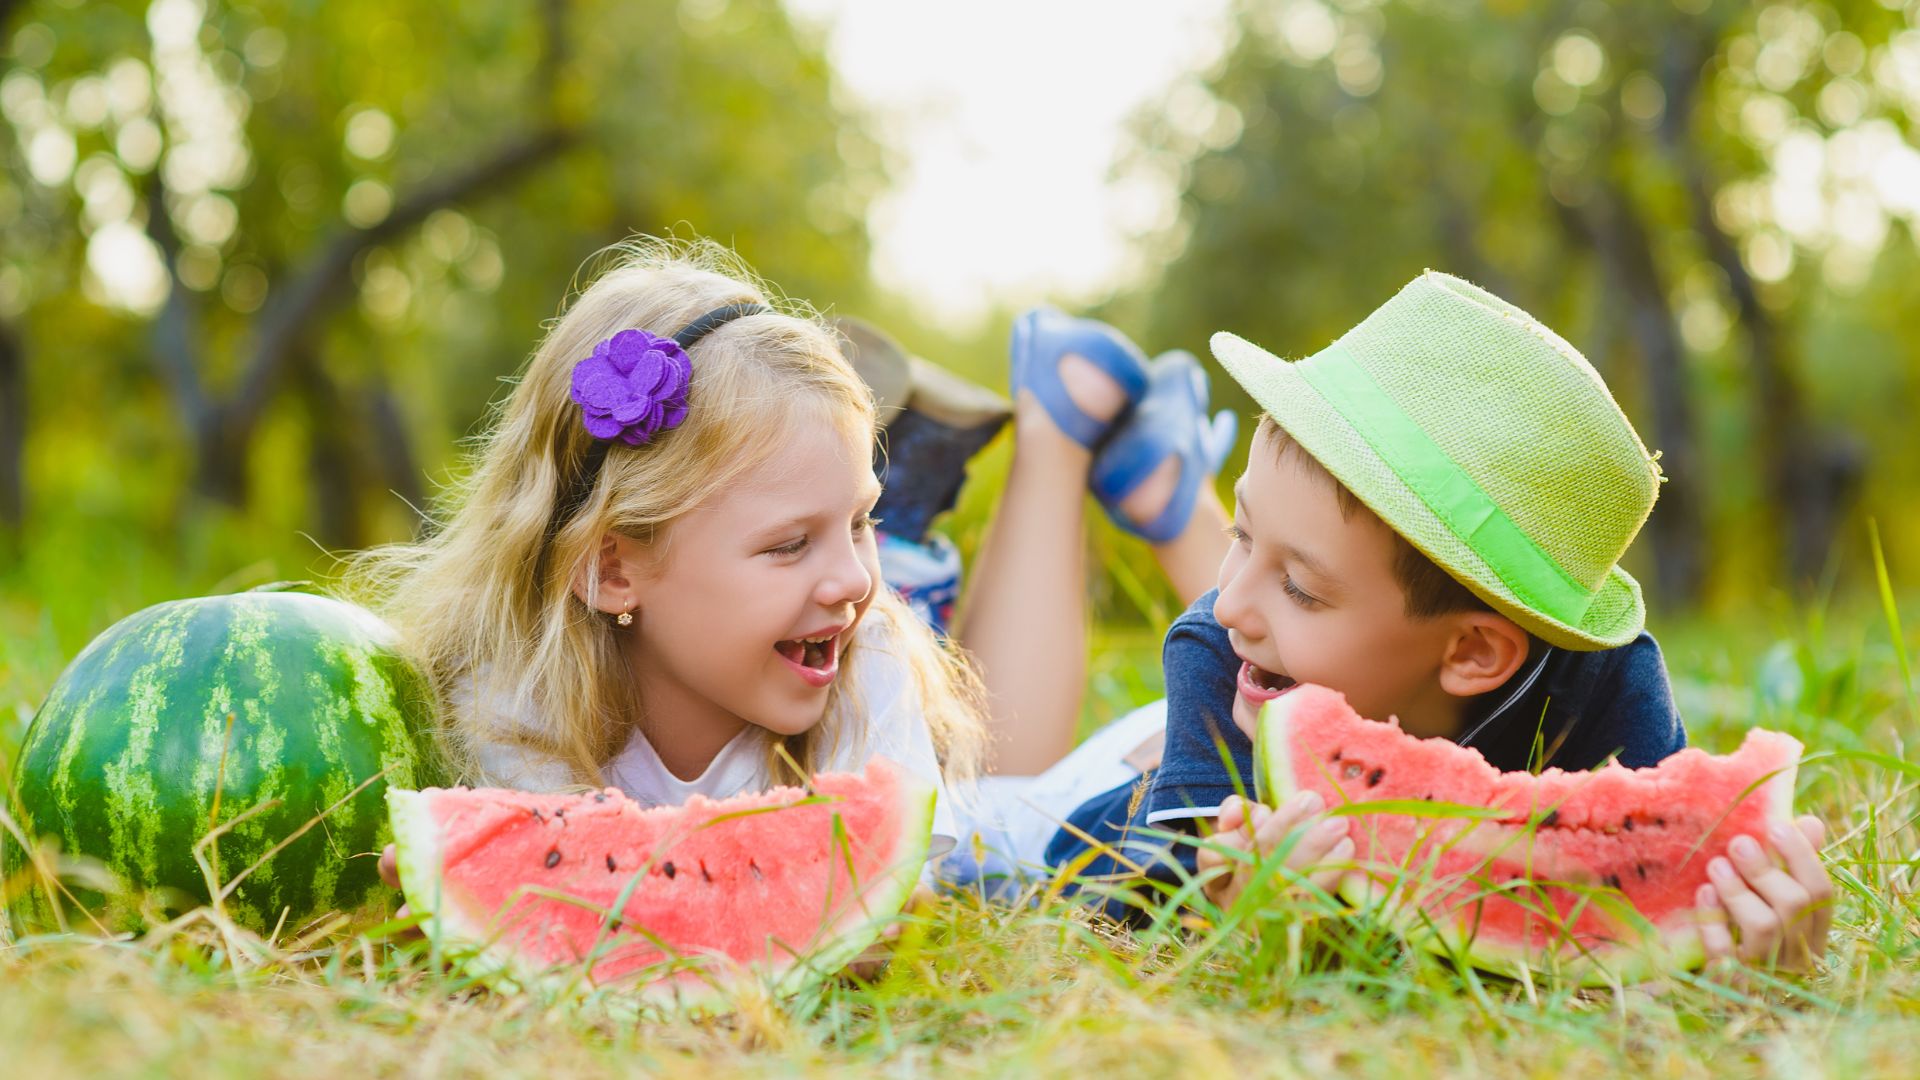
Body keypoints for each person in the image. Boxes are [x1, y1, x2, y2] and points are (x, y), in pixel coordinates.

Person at [1039, 270, 1833, 973]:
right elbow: (1125, 909)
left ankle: (1167, 484)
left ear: (1476, 652)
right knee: (986, 798)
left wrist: (1747, 916)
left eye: (1302, 588)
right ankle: (1079, 458)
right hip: (1104, 792)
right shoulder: (1213, 650)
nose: (1233, 601)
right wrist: (1231, 901)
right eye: (1237, 535)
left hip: (1286, 680)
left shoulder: (1607, 694)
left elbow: (1650, 875)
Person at [353, 239, 990, 883]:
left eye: (860, 522)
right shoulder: (513, 702)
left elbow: (893, 895)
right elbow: (559, 899)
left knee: (1032, 806)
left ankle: (912, 501)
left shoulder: (867, 663)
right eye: (787, 545)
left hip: (850, 635)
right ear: (611, 571)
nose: (856, 579)